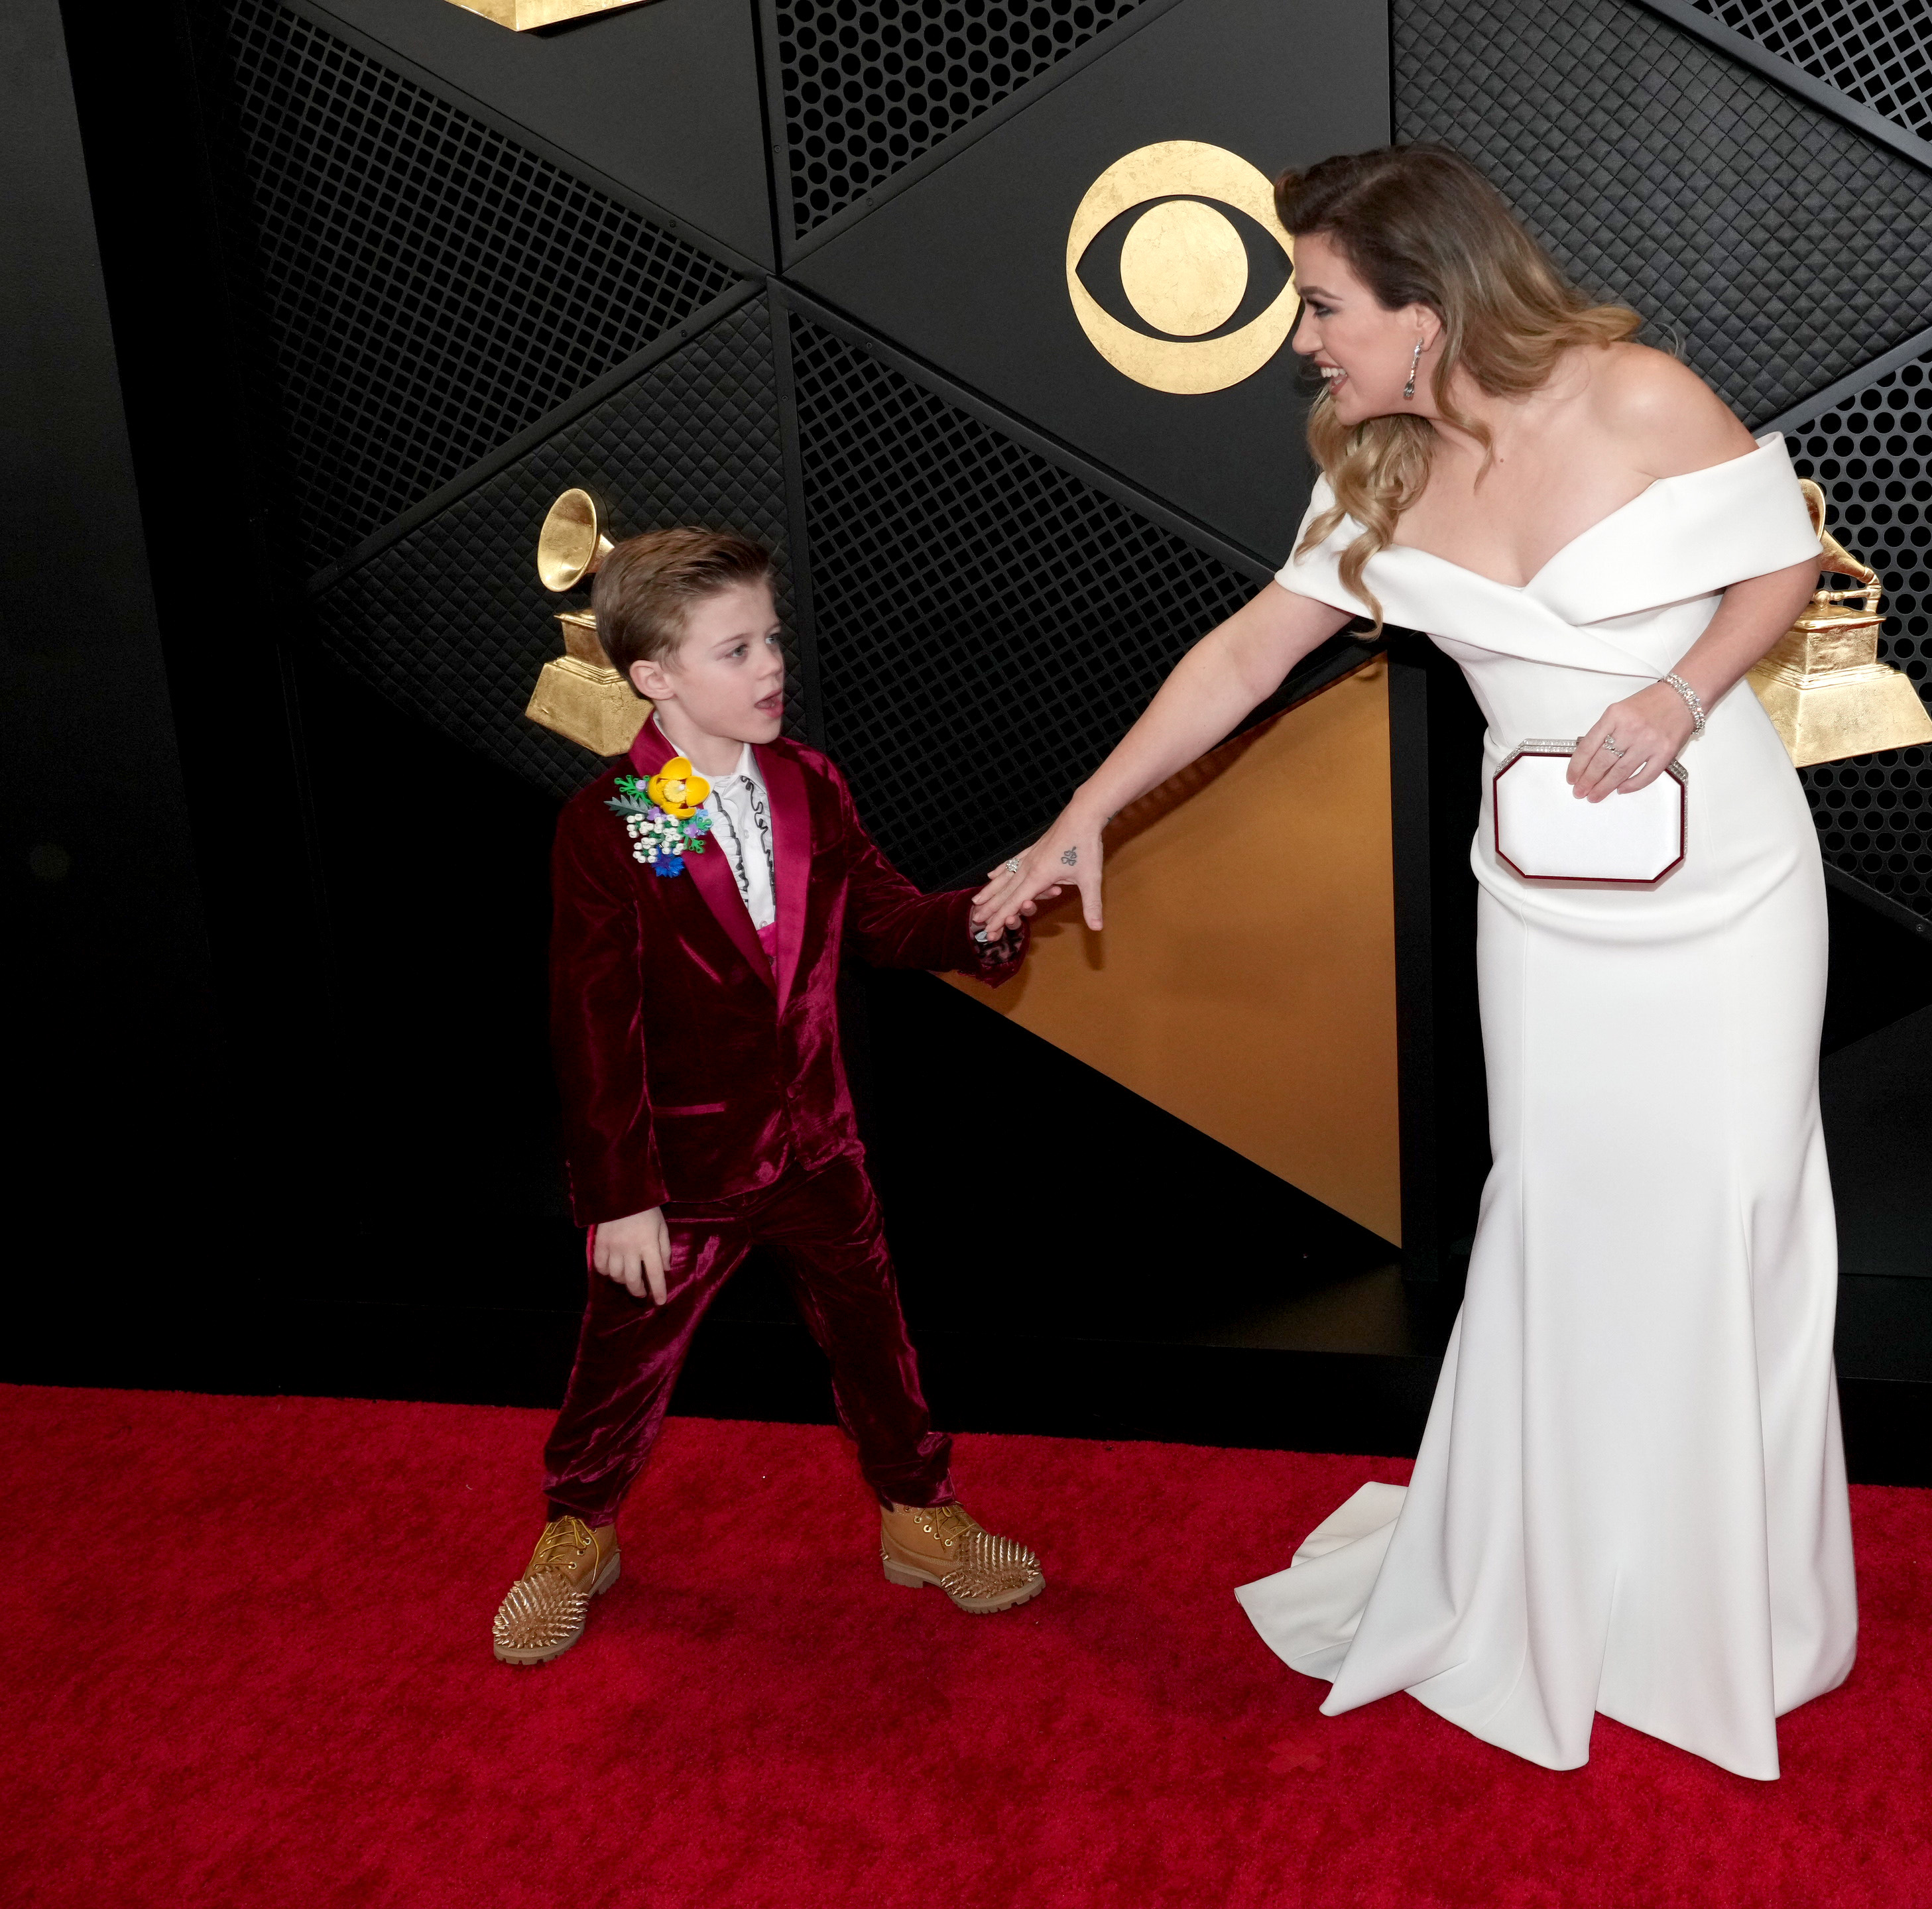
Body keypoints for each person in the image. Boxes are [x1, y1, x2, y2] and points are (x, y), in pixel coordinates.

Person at [971, 146, 1849, 1777]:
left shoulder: (1637, 396)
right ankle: (1553, 1568)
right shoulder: (1371, 473)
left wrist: (1681, 694)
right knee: (1566, 1215)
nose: (1305, 338)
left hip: (1722, 883)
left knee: (1732, 1208)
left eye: (1324, 304)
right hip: (1542, 907)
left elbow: (1781, 562)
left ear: (1428, 314)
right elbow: (1246, 650)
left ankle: (1721, 1600)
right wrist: (1083, 816)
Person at [491, 528, 1044, 1668]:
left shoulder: (810, 783)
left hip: (819, 1149)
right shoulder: (610, 822)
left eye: (772, 638)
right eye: (736, 648)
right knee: (622, 1363)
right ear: (653, 677)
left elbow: (887, 922)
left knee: (877, 1344)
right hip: (679, 1177)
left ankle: (916, 1516)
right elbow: (594, 1027)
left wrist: (987, 912)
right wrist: (619, 1196)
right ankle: (577, 1532)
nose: (771, 666)